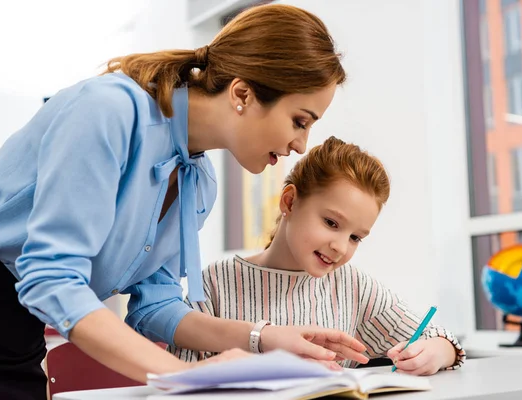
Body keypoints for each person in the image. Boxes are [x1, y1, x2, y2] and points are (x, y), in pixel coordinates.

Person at [0, 5, 369, 400]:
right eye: (300, 121)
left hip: (16, 331)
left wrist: (262, 336)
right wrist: (183, 374)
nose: (300, 144)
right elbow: (50, 276)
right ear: (242, 93)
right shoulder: (109, 111)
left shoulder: (199, 183)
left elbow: (154, 305)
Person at [168, 136, 467, 375]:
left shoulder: (352, 286)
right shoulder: (214, 283)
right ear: (290, 201)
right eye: (331, 223)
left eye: (355, 237)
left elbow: (437, 336)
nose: (340, 246)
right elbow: (179, 374)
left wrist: (438, 351)